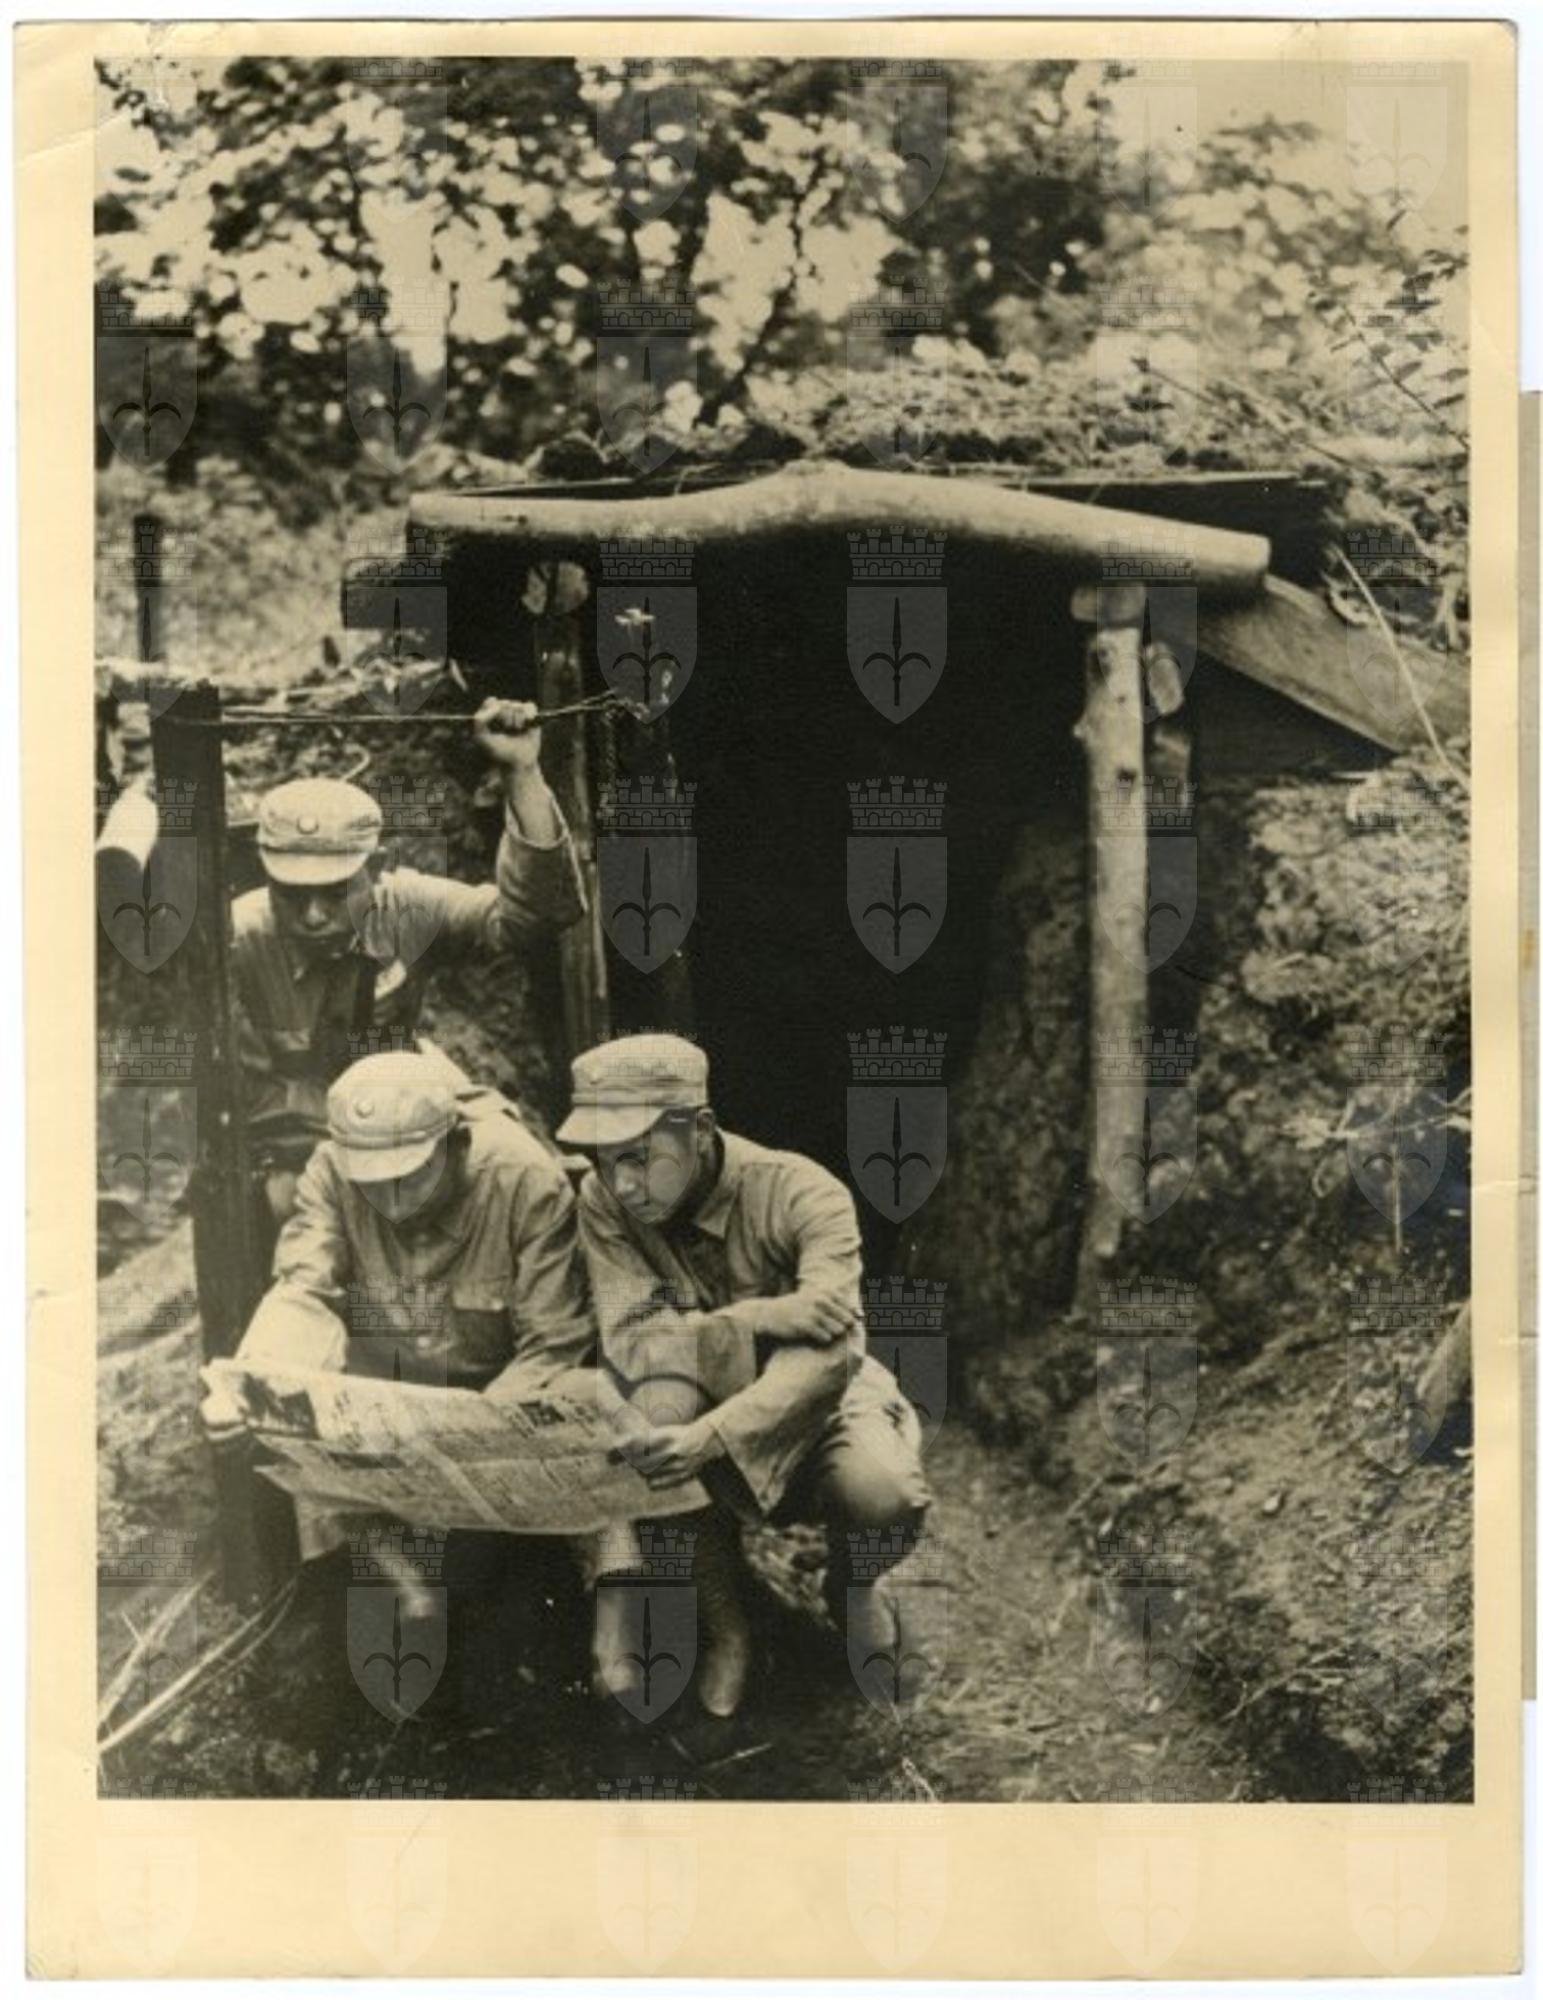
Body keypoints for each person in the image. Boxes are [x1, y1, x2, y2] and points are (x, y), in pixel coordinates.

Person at [557, 1033, 931, 1727]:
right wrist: (761, 1317)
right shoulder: (603, 1201)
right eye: (605, 1161)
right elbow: (635, 1343)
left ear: (700, 1130)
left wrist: (714, 1428)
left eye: (639, 1156)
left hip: (821, 1406)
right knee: (655, 1409)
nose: (622, 1184)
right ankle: (728, 1626)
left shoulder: (803, 1192)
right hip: (685, 1399)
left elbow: (829, 1357)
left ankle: (851, 1587)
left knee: (884, 1493)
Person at [200, 1051, 606, 1642]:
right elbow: (304, 1290)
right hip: (386, 1382)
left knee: (508, 1581)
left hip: (494, 1391)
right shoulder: (331, 1170)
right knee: (299, 1409)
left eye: (410, 1176)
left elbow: (553, 1341)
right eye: (373, 1183)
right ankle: (394, 1581)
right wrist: (253, 1382)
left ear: (457, 1146)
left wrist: (473, 1429)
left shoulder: (524, 1180)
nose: (391, 1203)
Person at [234, 699, 584, 1226]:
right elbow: (245, 1096)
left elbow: (530, 921)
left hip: (410, 1090)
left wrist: (521, 771)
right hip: (301, 1128)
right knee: (292, 1203)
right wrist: (373, 1126)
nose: (312, 915)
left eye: (334, 892)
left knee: (523, 1165)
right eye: (291, 894)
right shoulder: (237, 943)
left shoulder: (405, 908)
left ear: (374, 869)